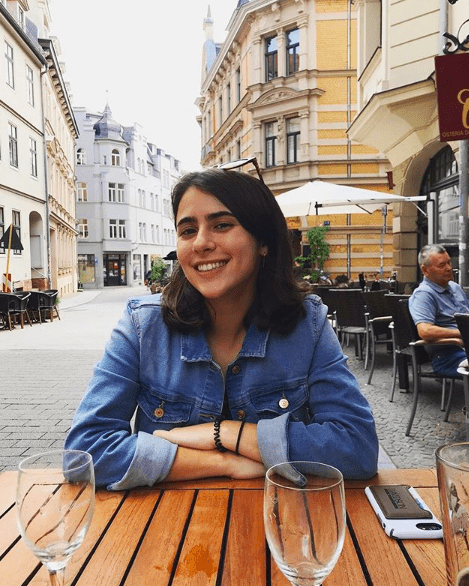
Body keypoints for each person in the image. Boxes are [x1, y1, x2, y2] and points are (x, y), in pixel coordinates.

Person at [65, 168, 379, 490]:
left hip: (283, 524)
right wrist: (223, 462)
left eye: (222, 225)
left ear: (264, 242)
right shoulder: (143, 326)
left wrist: (227, 433)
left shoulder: (306, 324)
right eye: (188, 230)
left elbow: (357, 447)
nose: (200, 243)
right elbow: (83, 453)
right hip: (165, 529)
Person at [409, 244, 469, 376]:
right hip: (449, 356)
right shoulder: (423, 294)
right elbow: (425, 331)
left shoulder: (455, 287)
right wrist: (462, 333)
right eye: (442, 265)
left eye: (449, 262)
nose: (449, 268)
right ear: (425, 270)